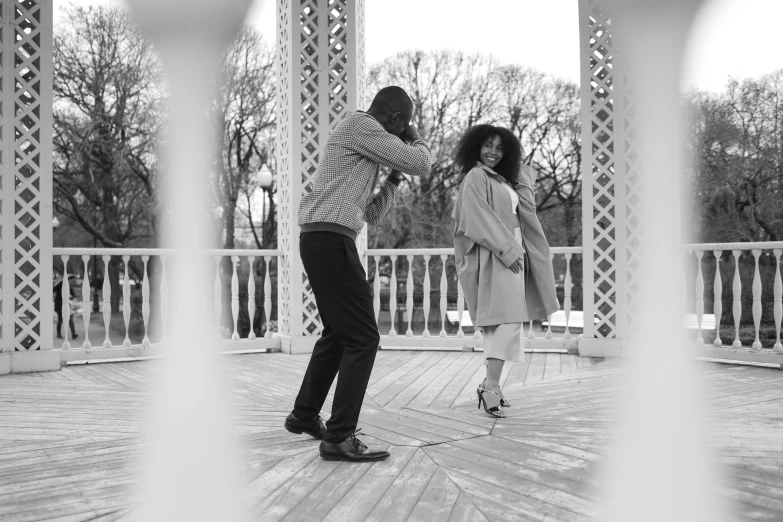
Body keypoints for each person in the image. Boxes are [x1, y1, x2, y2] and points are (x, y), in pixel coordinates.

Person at [285, 86, 433, 462]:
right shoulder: (361, 124)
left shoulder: (361, 145)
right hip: (330, 241)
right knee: (364, 337)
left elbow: (369, 216)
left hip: (327, 238)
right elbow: (421, 162)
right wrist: (416, 142)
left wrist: (393, 181)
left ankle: (304, 414)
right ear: (397, 120)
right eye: (404, 127)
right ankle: (339, 436)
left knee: (339, 334)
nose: (402, 135)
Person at [452, 124, 559, 418]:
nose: (493, 153)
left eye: (500, 148)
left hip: (511, 251)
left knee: (503, 323)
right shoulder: (476, 177)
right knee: (507, 321)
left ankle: (493, 387)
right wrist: (507, 250)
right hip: (495, 253)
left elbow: (526, 208)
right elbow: (475, 218)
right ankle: (490, 386)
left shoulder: (503, 181)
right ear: (476, 147)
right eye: (488, 145)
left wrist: (519, 172)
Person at [54, 271, 78, 340]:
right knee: (60, 319)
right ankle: (58, 333)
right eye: (72, 280)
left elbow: (73, 296)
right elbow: (53, 289)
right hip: (59, 305)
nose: (73, 282)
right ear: (68, 280)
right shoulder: (60, 284)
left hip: (67, 305)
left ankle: (73, 334)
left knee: (70, 318)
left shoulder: (69, 287)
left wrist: (73, 300)